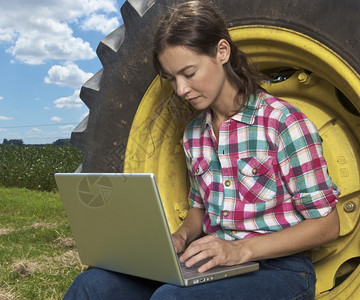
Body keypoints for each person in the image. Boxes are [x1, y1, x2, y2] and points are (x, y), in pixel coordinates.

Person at [64, 1, 340, 299]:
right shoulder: (194, 134)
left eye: (189, 72)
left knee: (170, 298)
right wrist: (179, 237)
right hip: (216, 263)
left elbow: (327, 226)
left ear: (222, 52)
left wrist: (239, 249)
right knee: (91, 286)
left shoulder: (284, 123)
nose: (181, 89)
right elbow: (199, 208)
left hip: (282, 270)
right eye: (172, 78)